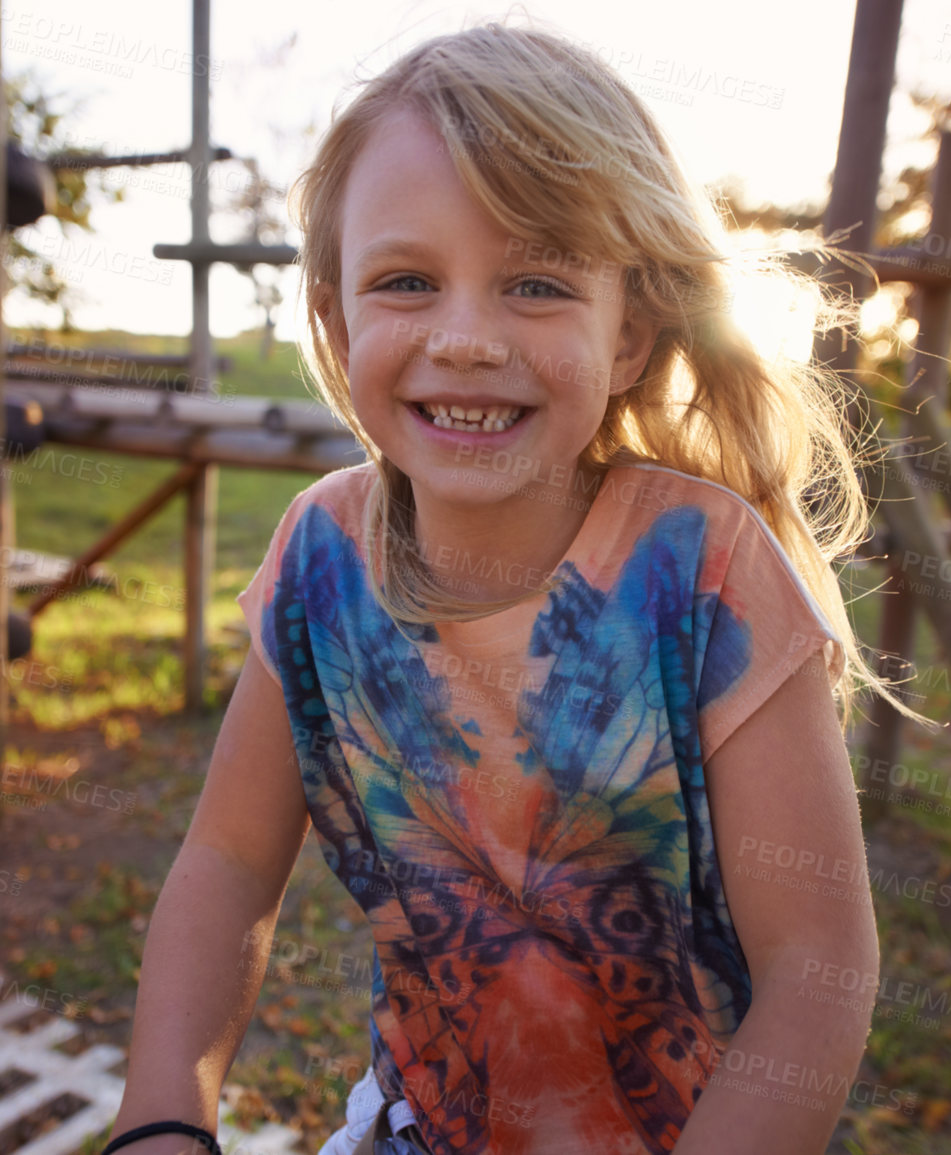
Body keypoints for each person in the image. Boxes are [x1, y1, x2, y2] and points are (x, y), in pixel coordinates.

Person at [108, 21, 897, 1155]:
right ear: (336, 317)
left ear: (628, 337)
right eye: (407, 281)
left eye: (535, 282)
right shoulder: (319, 560)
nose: (467, 337)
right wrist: (161, 1120)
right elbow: (227, 866)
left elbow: (818, 969)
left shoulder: (701, 571)